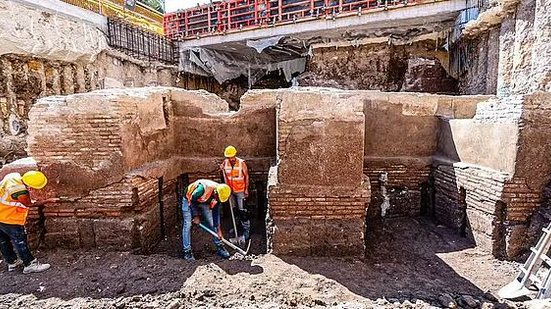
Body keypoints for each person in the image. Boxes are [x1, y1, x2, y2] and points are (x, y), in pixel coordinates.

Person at [0, 171, 55, 274]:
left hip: (0, 214)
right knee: (19, 240)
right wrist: (47, 201)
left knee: (3, 240)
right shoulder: (20, 192)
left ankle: (12, 262)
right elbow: (28, 204)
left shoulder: (13, 176)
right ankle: (29, 264)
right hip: (9, 217)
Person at [182, 179, 232, 261]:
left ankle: (219, 246)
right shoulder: (201, 189)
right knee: (187, 224)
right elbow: (192, 200)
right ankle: (187, 252)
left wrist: (219, 230)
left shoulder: (219, 195)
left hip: (204, 200)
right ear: (215, 193)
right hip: (189, 199)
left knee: (212, 223)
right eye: (218, 198)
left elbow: (216, 212)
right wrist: (196, 216)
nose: (218, 200)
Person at [220, 146, 251, 241]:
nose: (231, 159)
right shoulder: (225, 163)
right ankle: (236, 226)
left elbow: (246, 176)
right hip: (230, 191)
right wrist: (222, 170)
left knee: (243, 212)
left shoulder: (241, 163)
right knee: (234, 211)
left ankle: (246, 231)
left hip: (240, 191)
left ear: (235, 155)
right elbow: (225, 175)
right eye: (229, 157)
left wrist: (246, 189)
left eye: (232, 156)